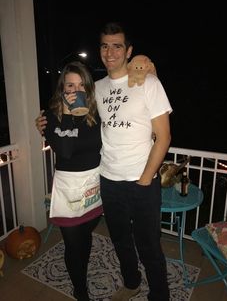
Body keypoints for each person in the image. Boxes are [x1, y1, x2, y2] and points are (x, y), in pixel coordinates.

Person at [36, 22, 172, 301]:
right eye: (104, 45)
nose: (110, 52)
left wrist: (145, 179)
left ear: (129, 50)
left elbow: (165, 137)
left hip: (142, 181)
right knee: (121, 241)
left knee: (149, 246)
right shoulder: (95, 89)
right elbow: (72, 113)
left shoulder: (149, 83)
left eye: (117, 46)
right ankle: (131, 283)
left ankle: (160, 295)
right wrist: (45, 122)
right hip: (108, 181)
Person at [41, 61, 103, 301]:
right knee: (72, 243)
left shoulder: (96, 115)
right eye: (70, 86)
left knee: (85, 236)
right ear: (62, 88)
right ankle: (80, 290)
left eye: (81, 86)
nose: (75, 91)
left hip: (93, 187)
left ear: (88, 89)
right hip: (68, 191)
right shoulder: (50, 117)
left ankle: (82, 271)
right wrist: (67, 113)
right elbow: (65, 151)